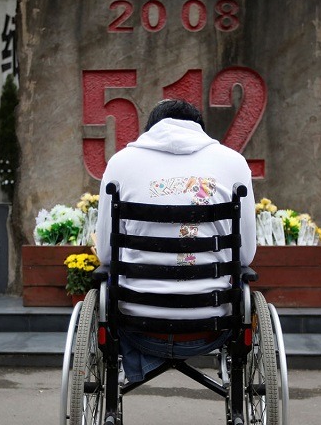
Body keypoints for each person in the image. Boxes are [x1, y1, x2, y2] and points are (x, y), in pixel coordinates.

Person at [95, 99, 257, 383]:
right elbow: (245, 256)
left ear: (150, 129)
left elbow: (106, 255)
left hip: (137, 323)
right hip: (211, 321)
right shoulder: (234, 163)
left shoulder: (120, 164)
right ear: (199, 129)